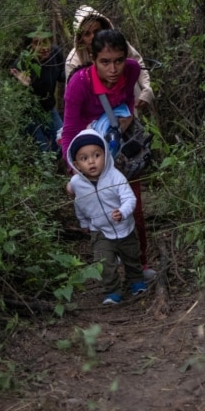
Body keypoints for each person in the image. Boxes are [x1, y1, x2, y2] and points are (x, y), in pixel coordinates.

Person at [62, 28, 156, 279]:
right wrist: (76, 173)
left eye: (118, 61)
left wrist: (125, 117)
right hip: (90, 154)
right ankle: (111, 274)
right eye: (105, 62)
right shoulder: (79, 84)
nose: (113, 70)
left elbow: (125, 100)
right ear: (93, 60)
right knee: (101, 214)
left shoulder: (132, 70)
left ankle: (140, 266)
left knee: (132, 205)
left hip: (119, 149)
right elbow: (70, 129)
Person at [66, 128, 146, 304]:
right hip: (100, 231)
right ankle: (112, 291)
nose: (92, 162)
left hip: (124, 227)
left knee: (131, 257)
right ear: (76, 164)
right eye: (84, 158)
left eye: (96, 155)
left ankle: (136, 281)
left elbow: (129, 199)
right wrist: (84, 223)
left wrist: (123, 212)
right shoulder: (77, 183)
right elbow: (80, 203)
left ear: (105, 155)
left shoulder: (115, 177)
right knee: (104, 263)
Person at [65, 5, 155, 113]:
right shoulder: (73, 61)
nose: (93, 37)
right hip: (94, 113)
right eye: (87, 34)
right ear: (80, 38)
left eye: (96, 31)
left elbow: (137, 63)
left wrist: (146, 88)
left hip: (125, 102)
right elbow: (72, 97)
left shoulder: (118, 46)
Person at [10, 31, 65, 153]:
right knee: (43, 151)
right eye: (37, 43)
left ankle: (58, 165)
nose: (44, 47)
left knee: (64, 143)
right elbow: (11, 97)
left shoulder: (55, 53)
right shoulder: (22, 63)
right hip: (28, 114)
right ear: (29, 47)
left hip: (48, 108)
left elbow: (62, 75)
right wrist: (23, 86)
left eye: (46, 41)